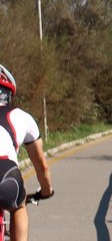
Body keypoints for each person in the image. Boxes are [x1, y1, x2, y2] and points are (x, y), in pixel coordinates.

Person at [0, 64, 54, 241]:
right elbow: (42, 167)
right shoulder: (23, 117)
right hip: (5, 174)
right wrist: (46, 191)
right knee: (19, 205)